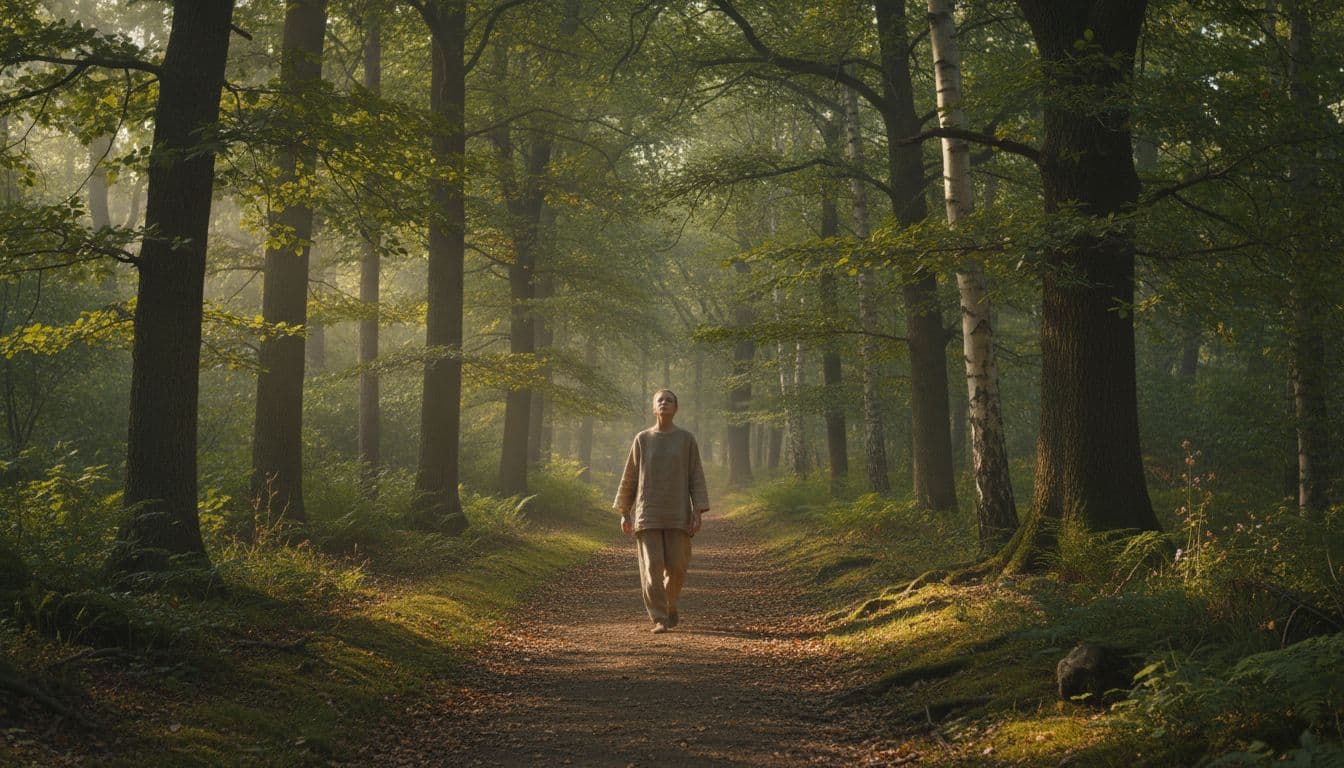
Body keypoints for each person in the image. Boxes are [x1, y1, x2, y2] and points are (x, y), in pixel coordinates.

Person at [613, 389, 710, 634]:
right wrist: (625, 511)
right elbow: (630, 476)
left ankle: (670, 604)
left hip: (678, 513)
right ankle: (659, 617)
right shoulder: (642, 439)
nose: (664, 403)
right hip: (648, 513)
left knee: (677, 566)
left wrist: (697, 510)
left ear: (676, 408)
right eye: (660, 400)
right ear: (653, 408)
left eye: (669, 400)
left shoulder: (686, 439)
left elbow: (696, 475)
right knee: (652, 567)